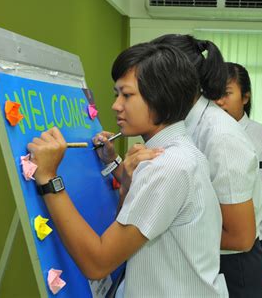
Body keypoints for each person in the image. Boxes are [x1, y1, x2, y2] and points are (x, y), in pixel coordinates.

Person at [27, 42, 228, 297]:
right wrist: (114, 164)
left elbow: (97, 263)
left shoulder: (167, 168)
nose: (116, 105)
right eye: (116, 94)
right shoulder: (182, 154)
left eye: (127, 95)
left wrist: (48, 177)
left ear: (160, 96)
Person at [151, 34, 262, 297]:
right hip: (204, 256)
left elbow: (240, 237)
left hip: (232, 267)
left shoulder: (220, 136)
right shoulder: (182, 123)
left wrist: (165, 230)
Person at [215, 62, 262, 296]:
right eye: (214, 94)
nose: (219, 101)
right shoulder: (202, 134)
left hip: (250, 245)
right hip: (208, 242)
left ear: (245, 97)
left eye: (227, 93)